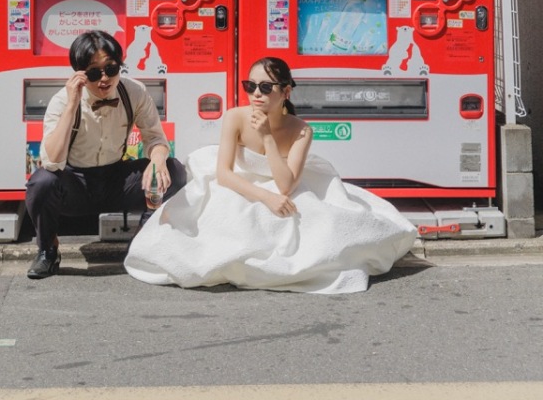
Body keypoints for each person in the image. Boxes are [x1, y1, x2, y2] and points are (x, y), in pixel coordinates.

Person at [125, 56, 418, 293]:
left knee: (319, 222)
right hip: (239, 181)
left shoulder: (301, 129)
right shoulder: (235, 117)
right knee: (236, 215)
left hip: (282, 182)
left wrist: (267, 137)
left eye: (266, 88)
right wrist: (266, 197)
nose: (256, 94)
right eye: (250, 85)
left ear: (285, 92)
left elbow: (286, 184)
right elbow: (225, 174)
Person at [24, 29, 187, 279]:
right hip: (75, 182)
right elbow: (52, 161)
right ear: (79, 74)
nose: (104, 79)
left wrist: (157, 160)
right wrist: (71, 106)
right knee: (41, 182)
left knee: (173, 170)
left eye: (111, 69)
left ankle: (143, 242)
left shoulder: (133, 92)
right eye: (93, 72)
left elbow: (155, 138)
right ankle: (47, 250)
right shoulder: (62, 101)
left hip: (115, 180)